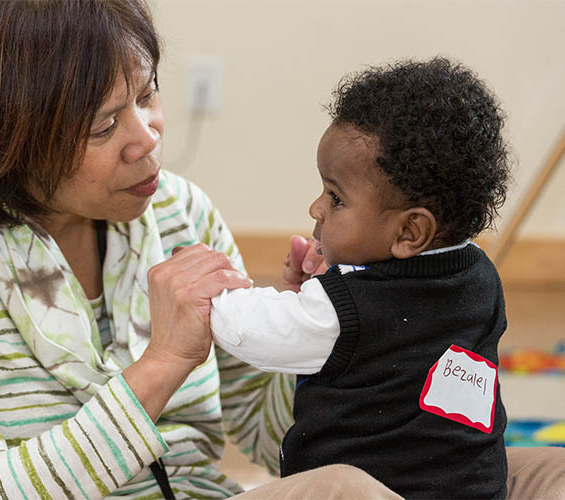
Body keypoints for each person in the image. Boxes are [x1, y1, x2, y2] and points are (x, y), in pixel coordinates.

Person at [0, 0, 565, 498]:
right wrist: (160, 367)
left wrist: (330, 336)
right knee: (346, 493)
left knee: (538, 473)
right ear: (4, 140)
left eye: (147, 95)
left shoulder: (180, 212)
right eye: (105, 126)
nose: (147, 135)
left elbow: (271, 431)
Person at [210, 58, 559, 499]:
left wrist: (215, 295)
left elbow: (256, 332)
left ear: (410, 232)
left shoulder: (346, 309)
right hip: (471, 489)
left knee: (339, 486)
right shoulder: (482, 277)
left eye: (335, 198)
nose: (316, 209)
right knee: (555, 467)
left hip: (372, 488)